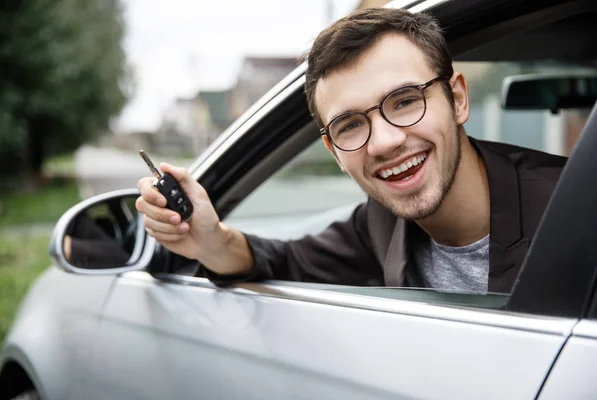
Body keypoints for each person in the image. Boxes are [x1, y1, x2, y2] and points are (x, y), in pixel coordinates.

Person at [135, 8, 566, 294]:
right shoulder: (380, 224)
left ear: (457, 100)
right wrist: (210, 240)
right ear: (334, 150)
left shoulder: (576, 206)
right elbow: (287, 262)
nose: (384, 142)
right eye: (351, 125)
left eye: (405, 101)